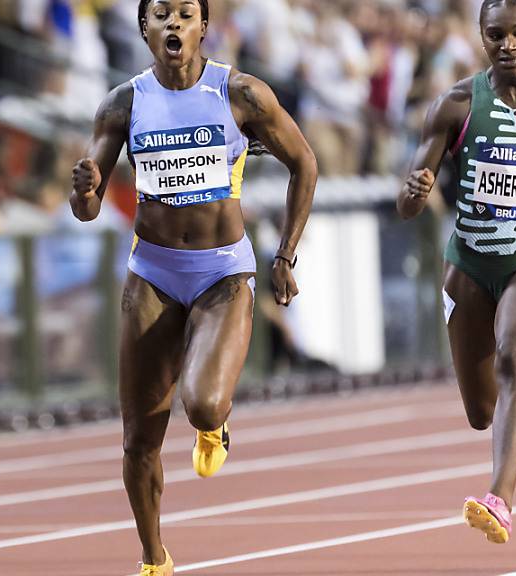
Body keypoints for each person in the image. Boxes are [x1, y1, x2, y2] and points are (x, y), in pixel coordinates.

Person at [71, 1, 317, 573]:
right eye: (162, 14)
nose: (174, 23)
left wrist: (284, 254)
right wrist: (84, 191)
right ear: (144, 29)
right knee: (138, 439)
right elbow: (86, 207)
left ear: (204, 27)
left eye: (186, 13)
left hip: (222, 271)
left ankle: (213, 427)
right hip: (152, 272)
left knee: (203, 404)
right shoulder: (122, 103)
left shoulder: (241, 94)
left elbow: (304, 162)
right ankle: (154, 560)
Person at [398, 0, 516, 545]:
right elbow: (406, 202)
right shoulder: (455, 105)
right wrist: (413, 193)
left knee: (513, 353)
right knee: (480, 412)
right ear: (481, 36)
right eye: (496, 35)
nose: (509, 45)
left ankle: (500, 500)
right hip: (470, 266)